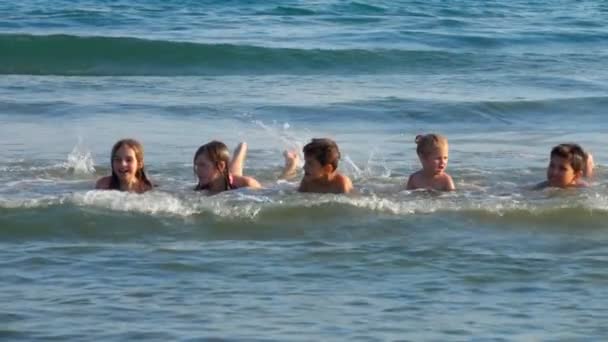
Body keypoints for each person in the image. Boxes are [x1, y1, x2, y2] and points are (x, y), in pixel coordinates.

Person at [282, 138, 353, 194]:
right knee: (282, 182)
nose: (304, 167)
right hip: (294, 185)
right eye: (305, 162)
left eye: (310, 163)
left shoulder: (341, 184)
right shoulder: (308, 181)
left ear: (327, 169)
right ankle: (292, 165)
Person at [193, 141, 261, 194]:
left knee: (235, 168)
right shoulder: (201, 188)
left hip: (230, 180)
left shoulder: (247, 184)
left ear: (221, 165)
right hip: (225, 175)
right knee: (232, 171)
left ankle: (242, 148)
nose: (197, 170)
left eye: (203, 165)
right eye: (196, 165)